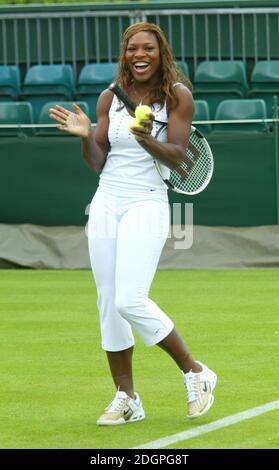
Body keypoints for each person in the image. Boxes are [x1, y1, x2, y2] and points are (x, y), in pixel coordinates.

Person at [50, 22, 217, 425]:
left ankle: (195, 371)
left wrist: (146, 140)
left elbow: (179, 157)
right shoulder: (110, 97)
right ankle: (127, 398)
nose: (139, 55)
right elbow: (97, 162)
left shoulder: (178, 97)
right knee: (109, 302)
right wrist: (85, 134)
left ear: (162, 54)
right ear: (124, 55)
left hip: (147, 202)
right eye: (132, 49)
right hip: (106, 201)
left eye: (148, 49)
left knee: (129, 298)